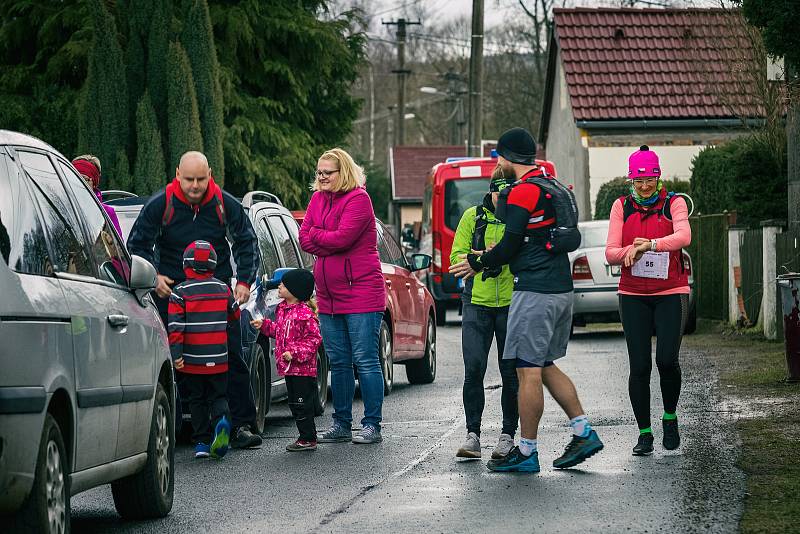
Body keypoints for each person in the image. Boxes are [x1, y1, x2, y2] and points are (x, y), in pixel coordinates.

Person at [450, 127, 603, 473]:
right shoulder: (554, 186)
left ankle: (527, 451)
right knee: (545, 365)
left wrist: (478, 261)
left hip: (534, 290)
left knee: (526, 370)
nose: (498, 163)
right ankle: (583, 431)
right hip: (561, 288)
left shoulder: (522, 192)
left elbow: (510, 245)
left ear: (506, 158)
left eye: (498, 157)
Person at [128, 151, 262, 449]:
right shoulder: (160, 204)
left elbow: (245, 241)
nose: (195, 185)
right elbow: (137, 245)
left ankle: (240, 425)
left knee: (233, 359)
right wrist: (154, 278)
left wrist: (243, 282)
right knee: (172, 362)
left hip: (218, 298)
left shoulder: (223, 203)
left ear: (210, 174)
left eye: (201, 179)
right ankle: (173, 428)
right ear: (177, 174)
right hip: (173, 296)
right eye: (189, 179)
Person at [605, 145, 691, 456]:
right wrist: (631, 250)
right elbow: (611, 251)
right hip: (633, 296)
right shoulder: (621, 207)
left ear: (658, 178)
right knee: (639, 365)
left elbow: (683, 236)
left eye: (650, 180)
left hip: (670, 293)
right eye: (639, 181)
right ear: (631, 181)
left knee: (666, 360)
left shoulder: (674, 203)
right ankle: (644, 433)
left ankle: (670, 417)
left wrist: (650, 244)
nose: (645, 186)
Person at [298, 148, 386, 445]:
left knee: (365, 360)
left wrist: (320, 238)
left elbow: (343, 238)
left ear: (343, 172)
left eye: (327, 172)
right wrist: (326, 239)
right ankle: (341, 424)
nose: (321, 177)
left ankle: (372, 424)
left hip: (361, 292)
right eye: (319, 172)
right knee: (338, 361)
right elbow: (303, 237)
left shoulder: (359, 200)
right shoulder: (317, 199)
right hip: (328, 295)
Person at [451, 167, 518, 460]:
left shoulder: (518, 218)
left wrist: (500, 255)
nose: (502, 198)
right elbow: (456, 258)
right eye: (498, 192)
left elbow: (525, 256)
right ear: (490, 191)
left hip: (511, 303)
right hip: (476, 302)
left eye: (508, 193)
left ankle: (507, 435)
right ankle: (473, 435)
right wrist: (484, 255)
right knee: (474, 369)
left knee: (510, 373)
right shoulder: (472, 217)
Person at [169, 241, 235, 459]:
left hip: (192, 359)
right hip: (218, 357)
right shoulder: (223, 288)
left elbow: (176, 327)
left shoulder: (180, 292)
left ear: (186, 265)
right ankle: (222, 423)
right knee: (218, 396)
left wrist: (176, 355)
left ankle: (202, 442)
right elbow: (235, 315)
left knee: (196, 399)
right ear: (213, 264)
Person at [251, 268, 322, 452]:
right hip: (289, 368)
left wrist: (295, 353)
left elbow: (314, 340)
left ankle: (308, 438)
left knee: (302, 403)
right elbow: (280, 332)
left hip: (302, 370)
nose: (279, 286)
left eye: (284, 284)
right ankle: (304, 437)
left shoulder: (305, 314)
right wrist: (265, 326)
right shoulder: (283, 309)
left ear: (295, 291)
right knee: (294, 403)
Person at [72, 155, 123, 238]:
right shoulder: (62, 206)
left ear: (94, 184)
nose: (78, 183)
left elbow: (116, 248)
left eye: (84, 179)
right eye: (74, 177)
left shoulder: (107, 213)